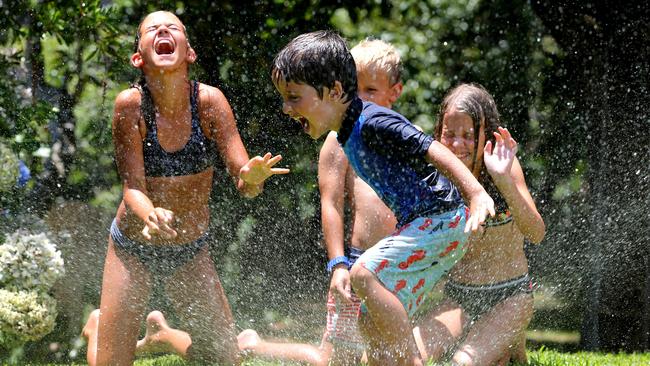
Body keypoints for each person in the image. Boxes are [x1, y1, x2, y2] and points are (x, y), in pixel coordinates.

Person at [272, 30, 494, 366]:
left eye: (293, 97)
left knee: (363, 275)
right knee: (368, 318)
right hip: (427, 225)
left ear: (333, 91)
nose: (286, 109)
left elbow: (432, 148)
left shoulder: (372, 121)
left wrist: (476, 193)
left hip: (440, 218)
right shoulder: (344, 134)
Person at [91, 10, 288, 366]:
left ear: (190, 53)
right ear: (138, 57)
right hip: (133, 246)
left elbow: (243, 180)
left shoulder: (209, 102)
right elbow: (132, 187)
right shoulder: (130, 106)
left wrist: (254, 178)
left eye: (173, 28)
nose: (162, 30)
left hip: (189, 249)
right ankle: (97, 326)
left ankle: (163, 335)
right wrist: (149, 213)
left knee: (225, 360)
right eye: (152, 29)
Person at [237, 38, 403, 366]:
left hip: (397, 264)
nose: (360, 99)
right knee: (335, 361)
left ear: (393, 92)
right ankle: (256, 345)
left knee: (386, 356)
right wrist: (338, 264)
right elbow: (331, 204)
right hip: (355, 263)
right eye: (355, 90)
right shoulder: (337, 141)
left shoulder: (403, 136)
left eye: (370, 90)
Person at [415, 83, 545, 365]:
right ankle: (504, 344)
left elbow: (536, 233)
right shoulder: (435, 175)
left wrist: (504, 183)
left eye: (469, 136)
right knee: (410, 357)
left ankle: (508, 339)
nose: (457, 144)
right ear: (438, 133)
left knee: (463, 363)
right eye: (449, 134)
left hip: (510, 295)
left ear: (487, 134)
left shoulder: (505, 169)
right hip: (458, 297)